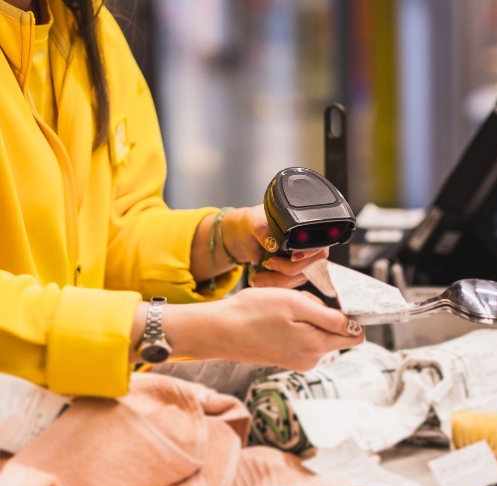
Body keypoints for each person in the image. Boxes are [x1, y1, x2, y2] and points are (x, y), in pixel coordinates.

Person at [0, 0, 365, 399]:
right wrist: (199, 330)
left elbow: (110, 234)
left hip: (67, 409)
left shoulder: (87, 27)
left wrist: (225, 237)